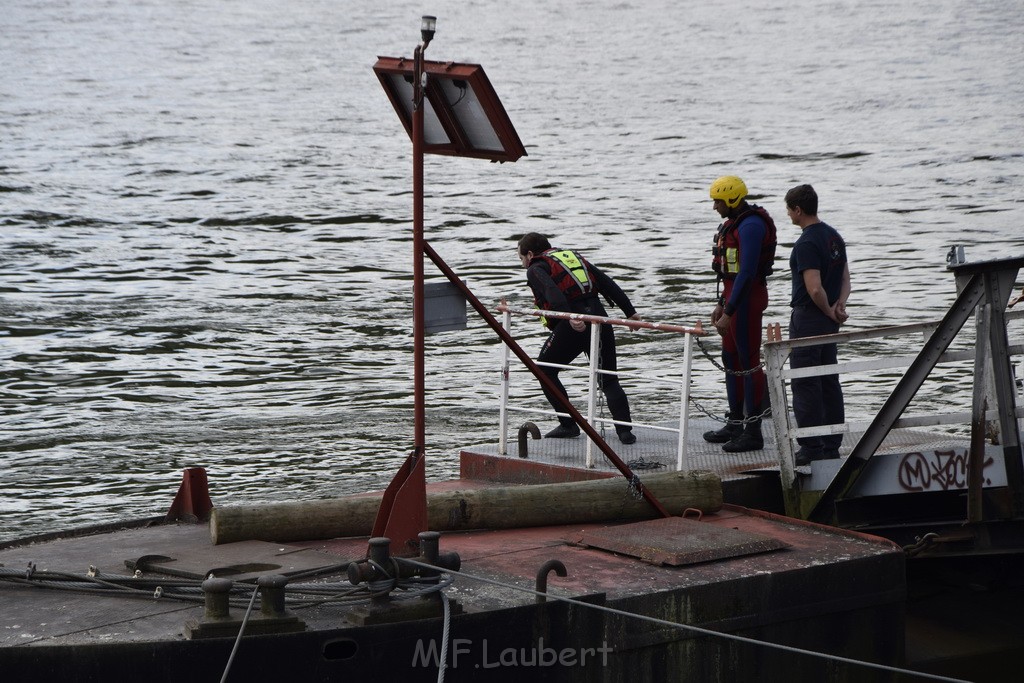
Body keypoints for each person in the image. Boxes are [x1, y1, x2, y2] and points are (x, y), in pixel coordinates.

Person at [517, 232, 639, 444]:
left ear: (529, 254)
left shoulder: (536, 268)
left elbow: (550, 290)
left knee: (544, 370)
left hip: (574, 323)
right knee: (609, 379)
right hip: (600, 318)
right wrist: (630, 313)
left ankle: (568, 425)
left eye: (520, 259)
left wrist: (569, 316)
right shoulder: (572, 257)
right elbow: (606, 282)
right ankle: (625, 433)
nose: (522, 265)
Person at [703, 176, 777, 452]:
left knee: (748, 361)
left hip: (747, 299)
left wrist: (730, 311)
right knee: (730, 358)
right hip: (734, 296)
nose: (715, 207)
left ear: (732, 199)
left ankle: (753, 431)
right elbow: (732, 275)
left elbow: (746, 273)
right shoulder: (734, 224)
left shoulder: (752, 226)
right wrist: (722, 303)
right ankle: (734, 423)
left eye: (718, 201)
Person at [785, 184, 851, 466]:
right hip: (830, 317)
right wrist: (840, 306)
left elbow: (813, 288)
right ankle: (832, 443)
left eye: (789, 209)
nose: (788, 214)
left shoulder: (807, 242)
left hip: (809, 317)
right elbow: (846, 279)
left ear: (798, 210)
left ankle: (812, 446)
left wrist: (826, 309)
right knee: (829, 378)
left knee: (806, 381)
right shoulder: (834, 236)